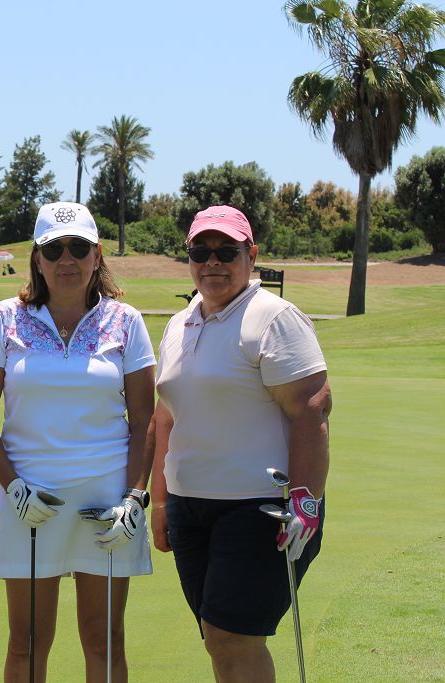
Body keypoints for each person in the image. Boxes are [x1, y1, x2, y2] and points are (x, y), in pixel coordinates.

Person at [0, 201, 156, 682]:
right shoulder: (4, 318)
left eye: (79, 247)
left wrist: (136, 496)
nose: (66, 259)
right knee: (26, 644)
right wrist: (12, 487)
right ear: (37, 257)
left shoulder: (126, 321)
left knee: (104, 641)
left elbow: (144, 421)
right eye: (54, 248)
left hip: (107, 501)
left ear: (97, 255)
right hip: (29, 499)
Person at [149, 205, 331, 683]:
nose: (213, 262)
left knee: (234, 635)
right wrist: (161, 504)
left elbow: (312, 406)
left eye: (226, 251)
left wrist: (305, 501)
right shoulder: (178, 324)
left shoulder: (273, 318)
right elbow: (165, 419)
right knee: (217, 635)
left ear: (251, 255)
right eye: (200, 251)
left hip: (262, 509)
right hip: (191, 507)